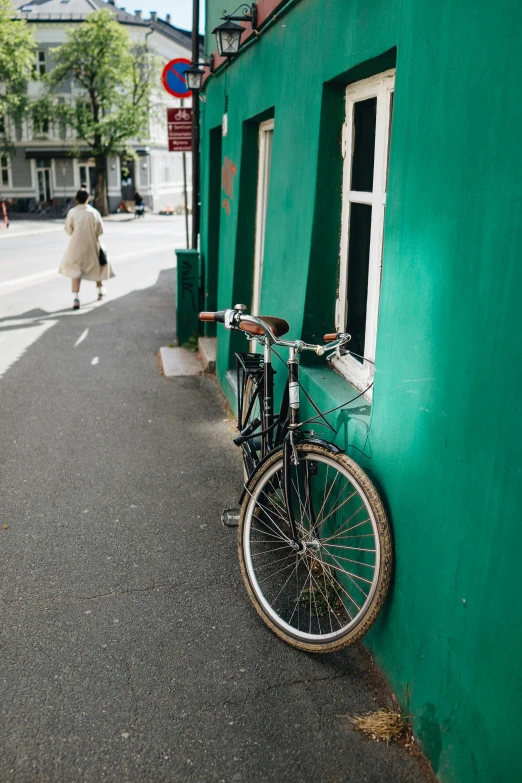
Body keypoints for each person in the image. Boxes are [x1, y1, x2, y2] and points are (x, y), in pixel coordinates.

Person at [59, 189, 114, 310]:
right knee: (97, 266)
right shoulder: (93, 212)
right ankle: (100, 290)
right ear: (88, 198)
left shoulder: (72, 212)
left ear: (77, 199)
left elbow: (68, 229)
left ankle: (76, 298)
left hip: (75, 245)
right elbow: (100, 230)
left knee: (75, 270)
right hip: (92, 243)